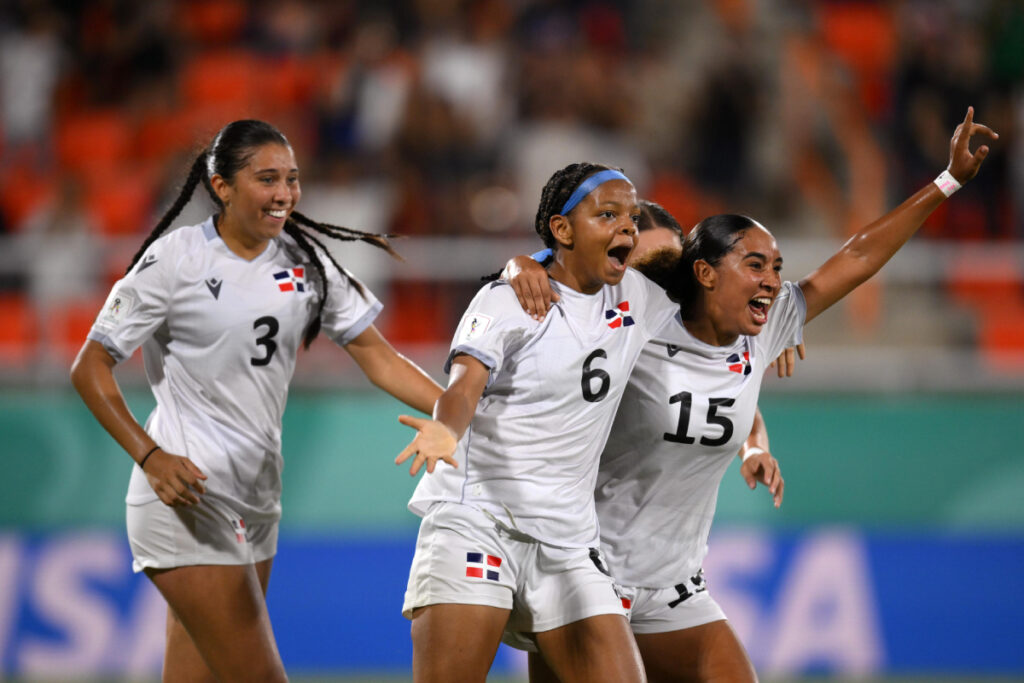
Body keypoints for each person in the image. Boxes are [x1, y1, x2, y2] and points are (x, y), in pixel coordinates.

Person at [509, 108, 996, 682]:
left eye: (777, 267)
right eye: (755, 264)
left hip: (673, 587)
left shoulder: (761, 335)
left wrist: (947, 182)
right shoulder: (635, 327)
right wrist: (524, 263)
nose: (772, 279)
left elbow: (858, 257)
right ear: (707, 274)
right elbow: (576, 272)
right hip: (590, 576)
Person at [69, 120, 443, 683]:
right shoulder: (176, 259)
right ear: (221, 186)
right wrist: (150, 456)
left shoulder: (305, 259)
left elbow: (376, 355)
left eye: (292, 179)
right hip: (188, 494)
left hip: (258, 494)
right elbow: (88, 367)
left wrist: (459, 412)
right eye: (267, 179)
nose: (285, 194)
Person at [394, 162, 689, 683]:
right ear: (562, 228)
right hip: (479, 519)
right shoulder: (504, 300)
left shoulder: (638, 299)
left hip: (569, 540)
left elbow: (722, 319)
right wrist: (446, 428)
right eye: (608, 214)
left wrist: (779, 324)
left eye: (632, 217)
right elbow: (464, 387)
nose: (627, 227)